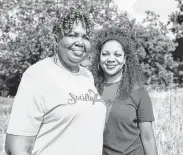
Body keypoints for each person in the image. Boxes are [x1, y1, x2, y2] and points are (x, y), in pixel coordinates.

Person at [5, 6, 106, 155]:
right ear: (56, 39)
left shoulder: (87, 76)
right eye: (72, 34)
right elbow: (16, 147)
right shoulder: (37, 76)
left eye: (85, 37)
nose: (80, 42)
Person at [90, 27, 158, 155]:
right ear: (98, 57)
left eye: (117, 54)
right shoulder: (90, 89)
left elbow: (148, 138)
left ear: (125, 59)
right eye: (105, 54)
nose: (111, 59)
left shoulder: (138, 92)